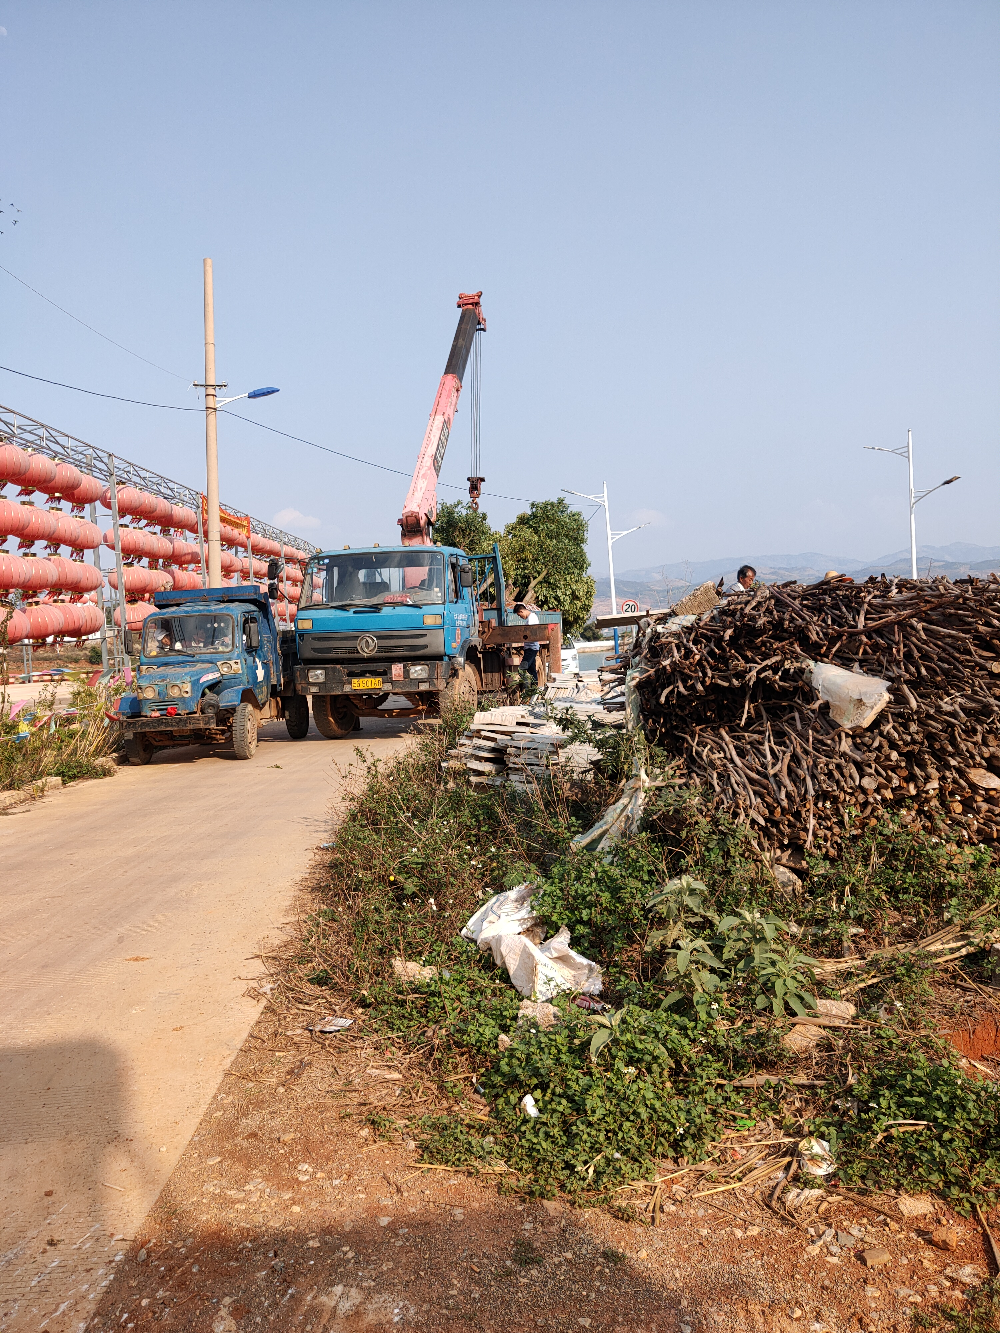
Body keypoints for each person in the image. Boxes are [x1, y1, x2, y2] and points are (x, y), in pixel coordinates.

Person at [513, 602, 541, 683]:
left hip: (531, 648)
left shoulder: (532, 618)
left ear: (521, 611)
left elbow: (530, 633)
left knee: (521, 669)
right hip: (530, 648)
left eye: (519, 615)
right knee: (532, 671)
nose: (520, 617)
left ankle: (527, 686)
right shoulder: (531, 618)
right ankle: (534, 689)